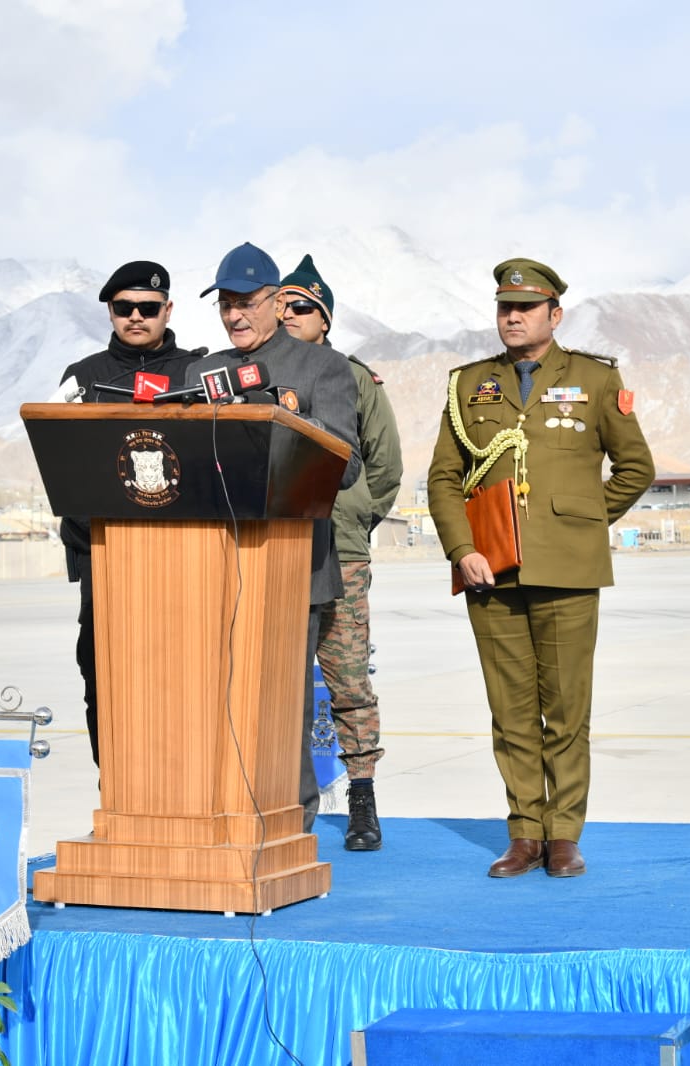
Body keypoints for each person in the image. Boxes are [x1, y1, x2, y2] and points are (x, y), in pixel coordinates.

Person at [427, 258, 655, 877]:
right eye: (505, 307)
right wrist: (462, 549)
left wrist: (579, 521)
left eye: (526, 308)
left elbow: (636, 467)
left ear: (555, 315)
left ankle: (564, 836)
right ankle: (524, 833)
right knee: (511, 711)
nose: (513, 317)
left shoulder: (595, 379)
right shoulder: (469, 384)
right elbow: (444, 477)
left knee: (566, 709)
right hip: (490, 569)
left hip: (568, 571)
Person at [191, 242, 362, 830]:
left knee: (285, 700)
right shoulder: (201, 373)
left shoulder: (321, 368)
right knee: (214, 695)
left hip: (293, 562)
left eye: (246, 303)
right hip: (211, 562)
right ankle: (218, 811)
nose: (235, 315)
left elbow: (348, 464)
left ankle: (294, 821)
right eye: (225, 305)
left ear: (276, 303)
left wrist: (284, 424)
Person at [278, 254, 403, 852]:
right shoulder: (257, 373)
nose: (289, 315)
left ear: (324, 319)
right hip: (277, 549)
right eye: (281, 305)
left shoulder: (353, 379)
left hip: (341, 551)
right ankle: (280, 798)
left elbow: (386, 465)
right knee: (276, 684)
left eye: (302, 307)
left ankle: (362, 798)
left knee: (349, 680)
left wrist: (352, 517)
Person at [57, 260, 204, 767]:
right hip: (105, 555)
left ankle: (176, 783)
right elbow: (61, 465)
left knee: (180, 676)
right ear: (110, 312)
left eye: (148, 307)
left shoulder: (195, 372)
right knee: (103, 676)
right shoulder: (83, 378)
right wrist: (100, 528)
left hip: (182, 556)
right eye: (124, 307)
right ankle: (115, 783)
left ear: (168, 309)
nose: (136, 316)